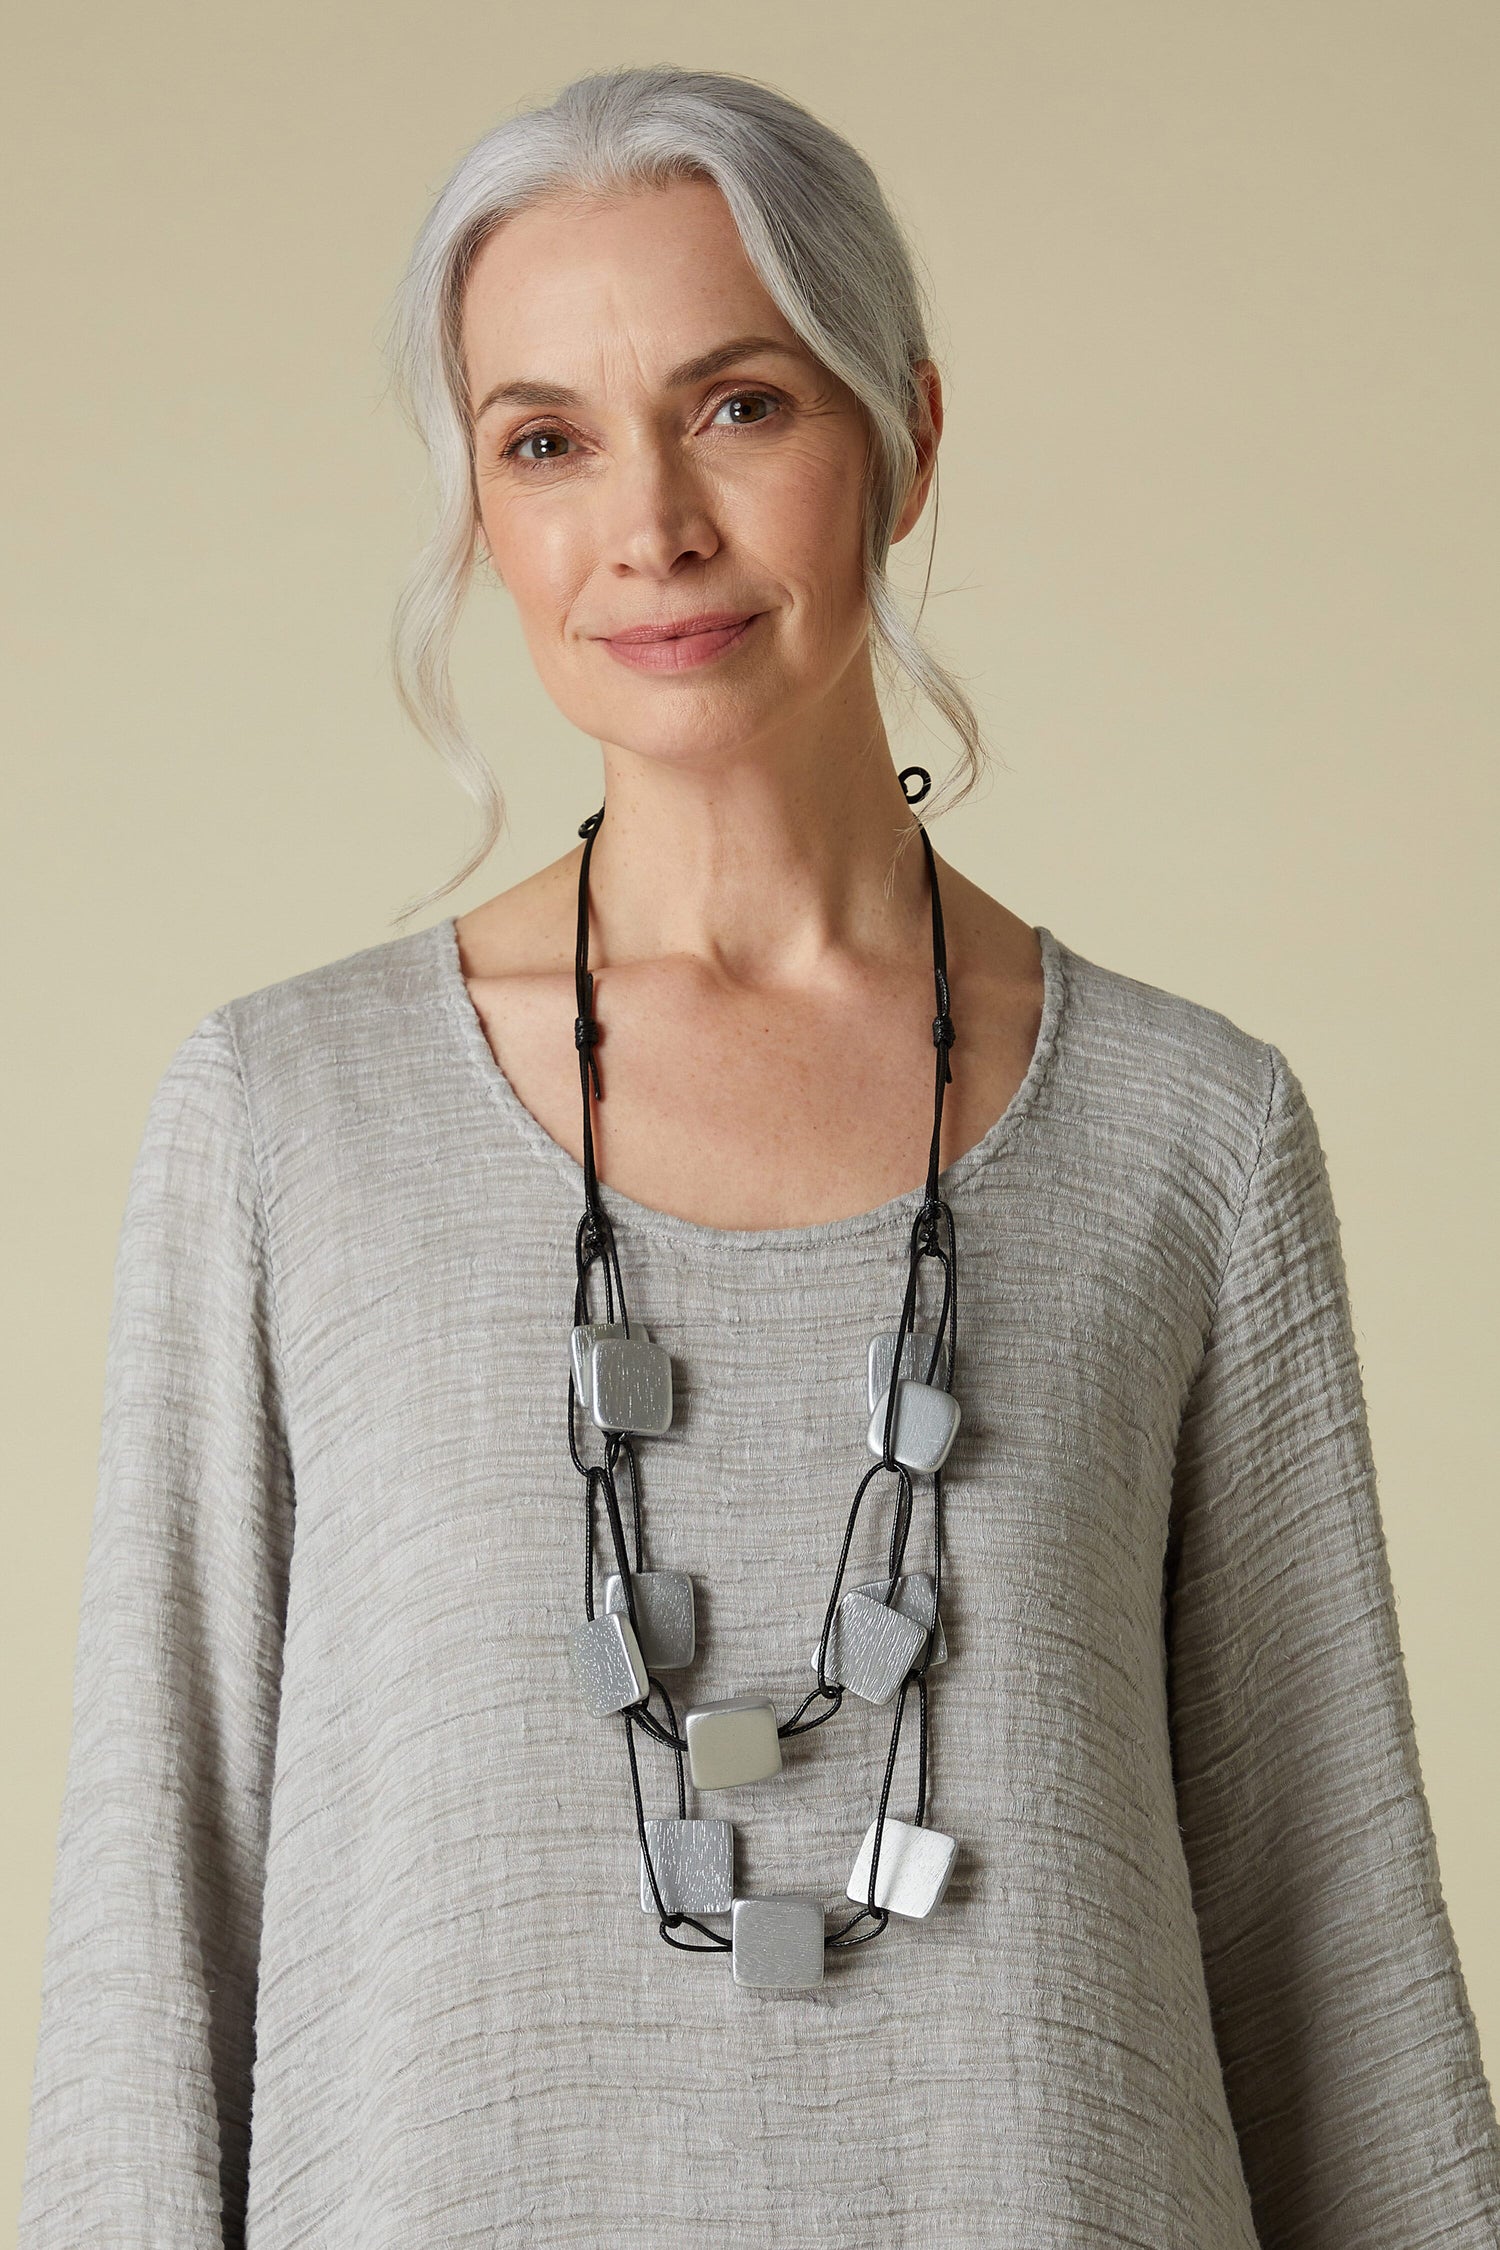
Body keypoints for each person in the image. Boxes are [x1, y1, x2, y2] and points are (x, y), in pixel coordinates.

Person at [17, 62, 1500, 2250]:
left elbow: (1330, 1952)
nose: (651, 528)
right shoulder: (283, 1121)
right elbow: (157, 1932)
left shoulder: (1196, 1136)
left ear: (900, 432)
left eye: (738, 406)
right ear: (483, 515)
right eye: (546, 442)